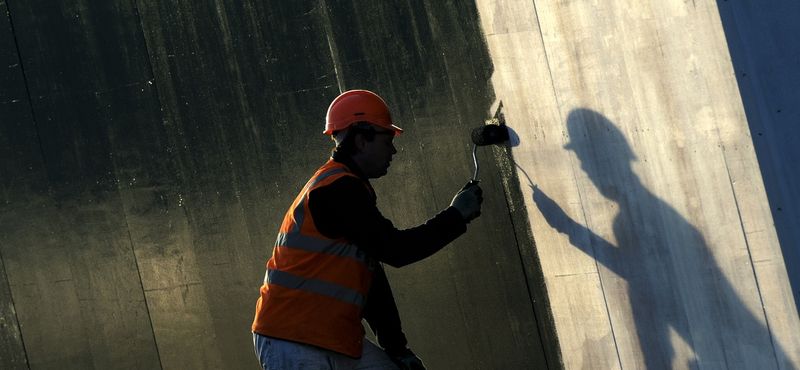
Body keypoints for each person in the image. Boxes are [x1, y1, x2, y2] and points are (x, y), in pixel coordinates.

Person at [252, 90, 484, 370]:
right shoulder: (337, 189)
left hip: (328, 337)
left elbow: (371, 275)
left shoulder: (346, 186)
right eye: (387, 141)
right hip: (295, 340)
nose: (394, 151)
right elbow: (396, 250)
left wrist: (397, 349)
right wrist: (457, 214)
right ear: (362, 141)